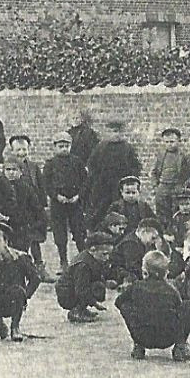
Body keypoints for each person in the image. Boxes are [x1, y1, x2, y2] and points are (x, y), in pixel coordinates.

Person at [115, 251, 190, 361]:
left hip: (142, 336)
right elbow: (179, 308)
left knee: (125, 304)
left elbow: (119, 302)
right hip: (167, 337)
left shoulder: (136, 286)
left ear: (145, 271)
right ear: (166, 273)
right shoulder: (171, 290)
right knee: (189, 306)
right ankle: (180, 346)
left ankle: (138, 346)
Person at [45, 133, 87, 274]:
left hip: (75, 203)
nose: (64, 149)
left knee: (79, 231)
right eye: (60, 146)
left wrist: (78, 196)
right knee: (60, 234)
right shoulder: (50, 164)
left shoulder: (77, 162)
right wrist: (56, 196)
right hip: (58, 204)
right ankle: (63, 262)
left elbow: (85, 182)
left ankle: (84, 260)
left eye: (66, 146)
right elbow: (46, 184)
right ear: (55, 147)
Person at [84, 118, 141, 224]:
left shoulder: (127, 148)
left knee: (120, 208)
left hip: (120, 185)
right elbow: (91, 165)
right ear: (108, 132)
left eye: (118, 132)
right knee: (100, 208)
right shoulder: (101, 147)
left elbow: (135, 166)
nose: (116, 135)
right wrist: (96, 179)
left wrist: (129, 181)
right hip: (103, 185)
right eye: (113, 132)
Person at [56, 232, 113, 322]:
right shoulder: (83, 265)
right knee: (93, 288)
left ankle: (82, 309)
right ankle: (76, 311)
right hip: (67, 294)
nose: (107, 258)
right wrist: (94, 303)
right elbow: (81, 290)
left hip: (73, 289)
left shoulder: (91, 258)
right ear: (93, 249)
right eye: (104, 254)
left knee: (98, 286)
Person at [149, 127, 190, 221]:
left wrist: (185, 185)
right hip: (163, 188)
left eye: (172, 141)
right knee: (162, 215)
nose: (169, 144)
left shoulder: (184, 156)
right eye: (166, 142)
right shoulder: (161, 155)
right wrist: (156, 186)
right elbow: (154, 172)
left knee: (177, 214)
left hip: (177, 188)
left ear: (178, 141)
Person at [67, 106, 100, 170]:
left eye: (77, 118)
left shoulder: (89, 132)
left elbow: (93, 150)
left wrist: (88, 165)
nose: (75, 120)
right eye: (73, 118)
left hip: (84, 163)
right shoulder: (68, 133)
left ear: (81, 119)